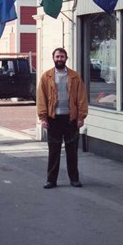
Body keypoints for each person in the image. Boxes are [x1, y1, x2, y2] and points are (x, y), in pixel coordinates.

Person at [37, 48, 88, 189]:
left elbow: (82, 97)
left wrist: (81, 116)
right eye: (57, 56)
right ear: (53, 58)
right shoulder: (46, 77)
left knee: (72, 151)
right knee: (54, 151)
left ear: (66, 58)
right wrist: (43, 117)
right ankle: (51, 180)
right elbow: (41, 98)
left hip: (70, 118)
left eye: (62, 56)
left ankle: (74, 179)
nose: (59, 59)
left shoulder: (74, 77)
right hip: (53, 118)